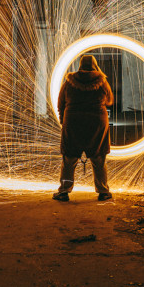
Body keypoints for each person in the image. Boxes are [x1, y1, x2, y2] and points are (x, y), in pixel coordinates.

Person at [53, 54, 114, 201]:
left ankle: (64, 191)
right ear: (94, 65)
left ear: (80, 65)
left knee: (69, 159)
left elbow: (61, 102)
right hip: (96, 123)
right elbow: (110, 100)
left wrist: (63, 120)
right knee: (98, 158)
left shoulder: (69, 81)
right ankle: (103, 191)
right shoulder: (102, 80)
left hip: (73, 122)